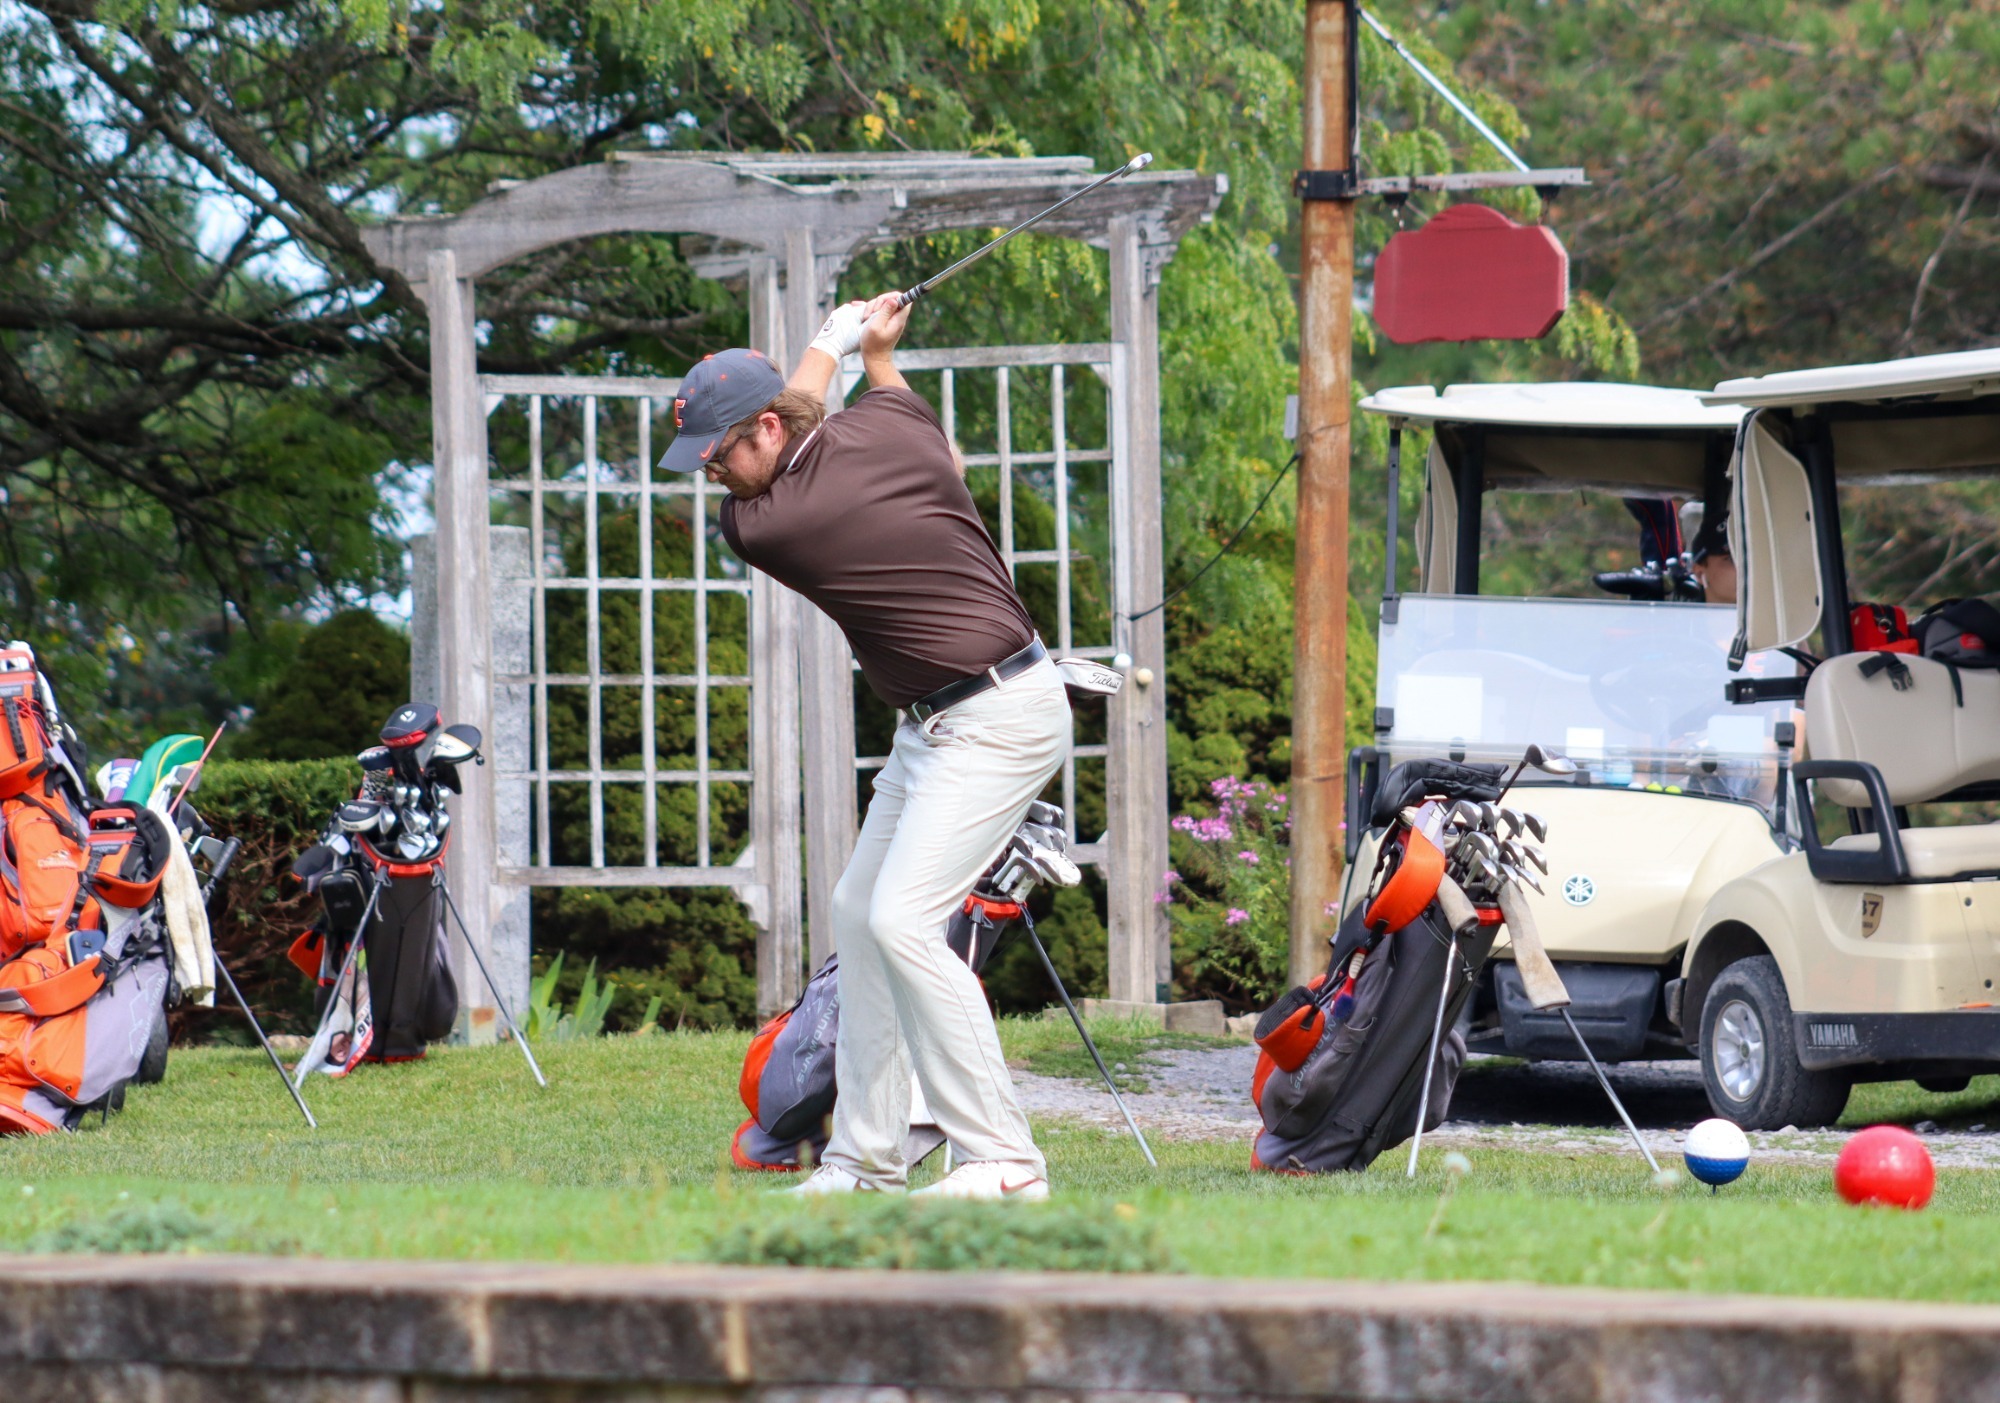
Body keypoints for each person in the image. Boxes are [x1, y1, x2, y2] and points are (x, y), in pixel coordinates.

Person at [659, 295, 1069, 1200]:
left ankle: (1005, 1160)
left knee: (903, 921)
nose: (712, 476)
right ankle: (865, 1158)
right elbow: (935, 455)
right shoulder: (893, 424)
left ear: (769, 429)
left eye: (720, 455)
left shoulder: (768, 522)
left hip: (999, 716)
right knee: (859, 911)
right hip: (938, 723)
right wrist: (874, 353)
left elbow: (811, 399)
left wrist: (833, 340)